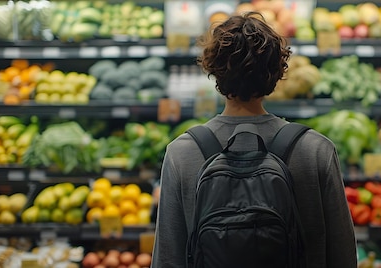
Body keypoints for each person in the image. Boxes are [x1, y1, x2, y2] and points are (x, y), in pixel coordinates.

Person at [151, 11, 357, 268]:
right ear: (276, 72)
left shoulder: (182, 152)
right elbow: (343, 255)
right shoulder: (316, 150)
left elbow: (168, 258)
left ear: (214, 71)